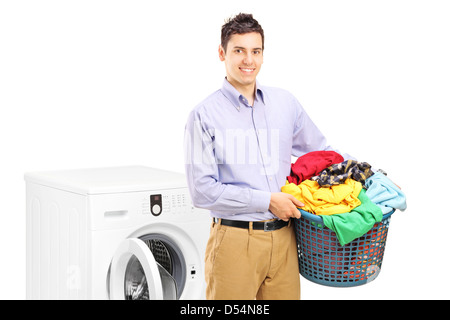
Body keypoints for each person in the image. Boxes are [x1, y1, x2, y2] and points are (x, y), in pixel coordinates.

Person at [184, 13, 350, 300]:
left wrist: (364, 171)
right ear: (222, 53)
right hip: (235, 241)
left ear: (262, 55)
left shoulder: (285, 103)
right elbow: (202, 192)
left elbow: (322, 154)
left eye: (255, 51)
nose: (248, 60)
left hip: (286, 238)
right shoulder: (203, 115)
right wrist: (267, 201)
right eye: (239, 50)